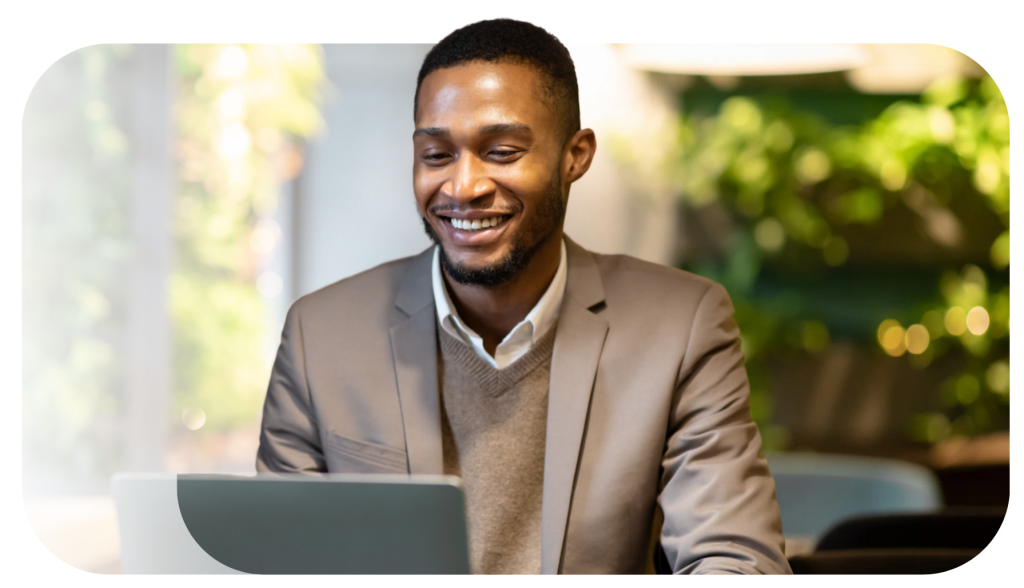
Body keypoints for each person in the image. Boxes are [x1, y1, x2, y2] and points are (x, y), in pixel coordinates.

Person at [256, 18, 791, 575]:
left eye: (502, 151)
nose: (463, 187)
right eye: (436, 155)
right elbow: (276, 560)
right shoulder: (320, 335)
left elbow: (735, 559)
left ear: (575, 156)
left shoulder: (681, 326)